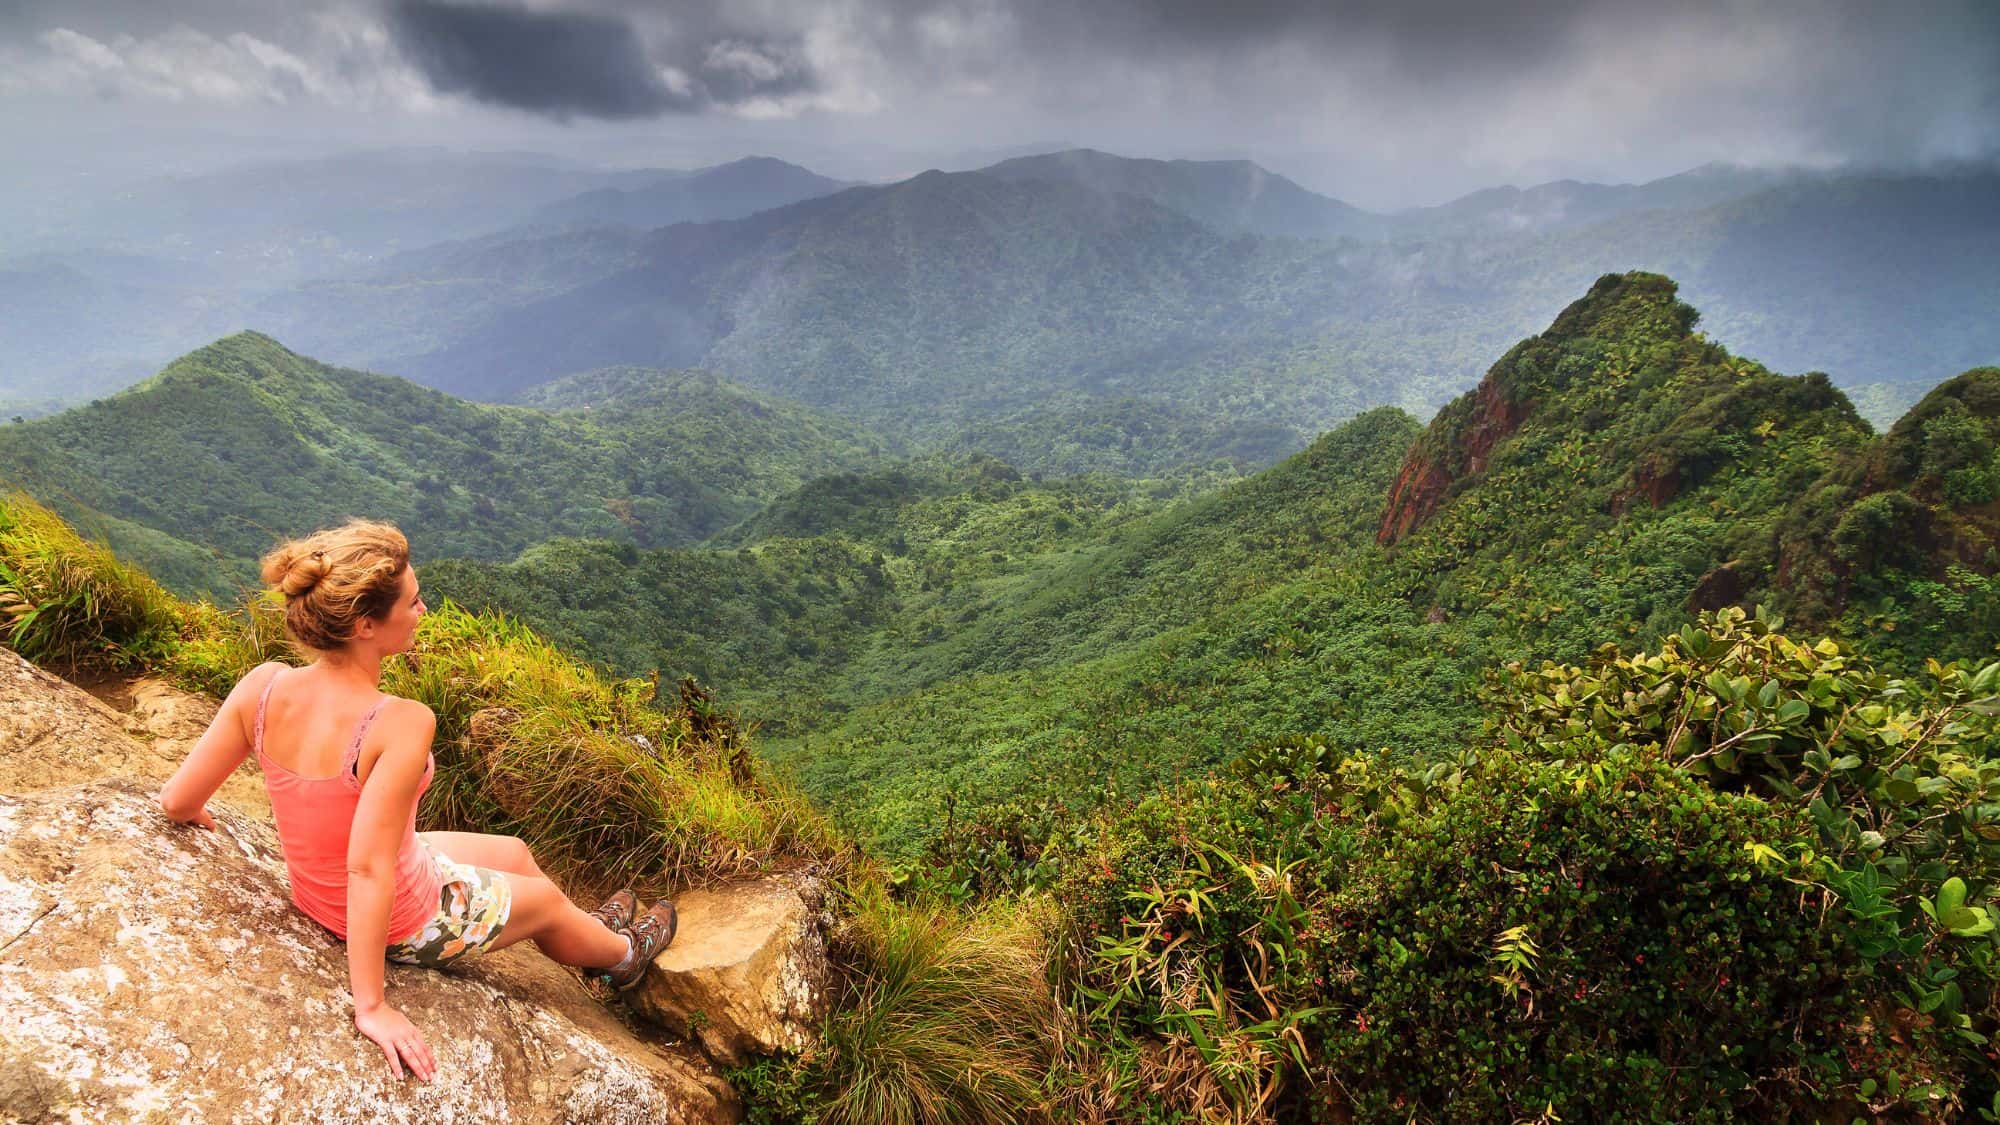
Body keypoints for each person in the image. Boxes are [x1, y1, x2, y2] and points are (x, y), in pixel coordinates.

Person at [158, 520, 676, 1083]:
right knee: (546, 900)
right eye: (413, 600)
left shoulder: (262, 687)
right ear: (364, 625)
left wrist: (190, 815)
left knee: (515, 852)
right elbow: (367, 867)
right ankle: (621, 957)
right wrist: (370, 1006)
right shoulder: (398, 722)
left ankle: (588, 934)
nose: (423, 610)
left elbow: (178, 799)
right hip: (403, 916)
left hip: (323, 892)